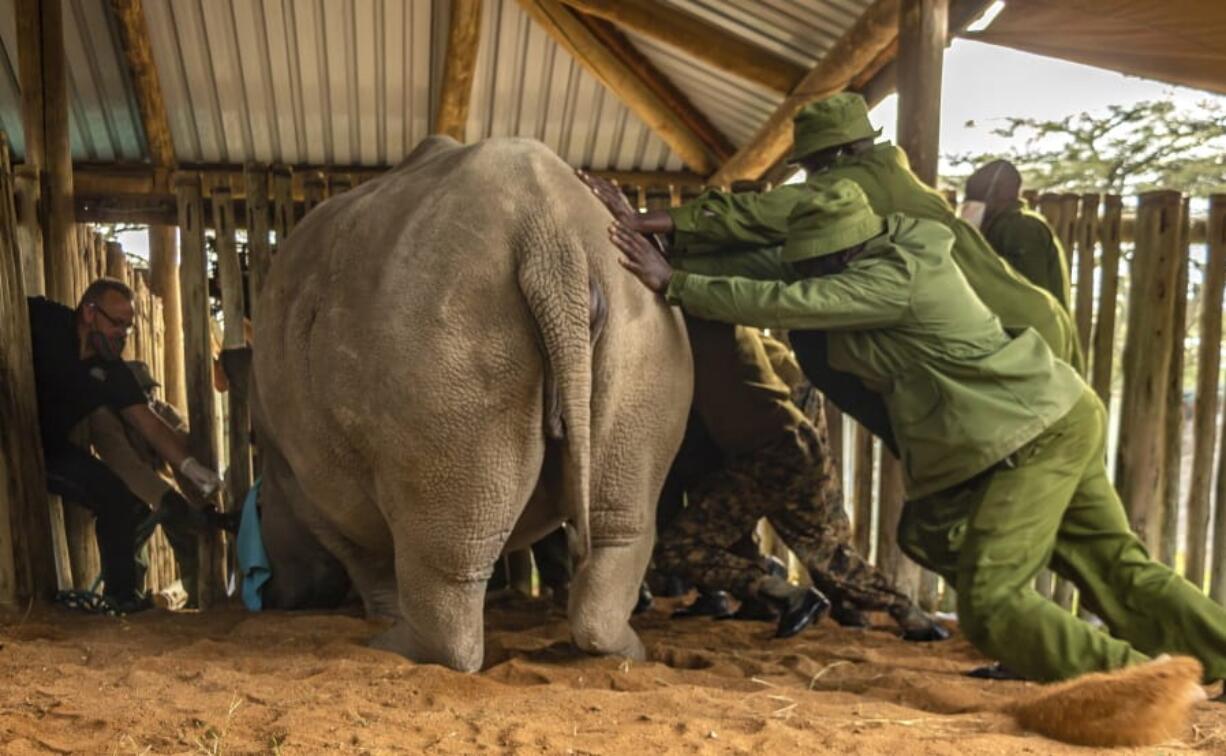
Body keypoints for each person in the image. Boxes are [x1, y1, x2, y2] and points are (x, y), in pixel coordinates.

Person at [607, 177, 1226, 683]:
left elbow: (789, 300)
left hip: (1029, 432)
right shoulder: (876, 241)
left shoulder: (893, 279)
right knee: (1098, 562)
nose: (804, 268)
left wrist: (676, 283)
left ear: (845, 252)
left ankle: (1141, 681)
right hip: (1047, 415)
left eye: (816, 262)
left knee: (992, 598)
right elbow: (771, 248)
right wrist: (661, 227)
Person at [580, 91, 1081, 450]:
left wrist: (644, 227)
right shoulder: (887, 183)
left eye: (814, 166)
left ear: (841, 154)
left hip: (1018, 334)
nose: (812, 177)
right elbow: (773, 261)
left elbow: (764, 223)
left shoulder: (861, 184)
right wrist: (672, 252)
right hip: (1031, 323)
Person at [653, 317, 949, 640]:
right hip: (791, 442)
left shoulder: (695, 326)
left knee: (679, 547)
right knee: (823, 549)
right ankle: (906, 613)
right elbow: (795, 383)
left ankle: (784, 593)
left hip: (772, 453)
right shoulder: (733, 327)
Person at [28, 278, 223, 613]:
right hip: (12, 441)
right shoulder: (42, 319)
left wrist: (190, 468)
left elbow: (147, 422)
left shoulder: (111, 371)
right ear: (90, 312)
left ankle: (122, 598)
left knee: (120, 501)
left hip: (48, 451)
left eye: (129, 327)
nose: (122, 333)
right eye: (116, 323)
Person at [87, 361, 231, 608]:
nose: (147, 398)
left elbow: (185, 457)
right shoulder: (106, 420)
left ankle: (198, 592)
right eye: (141, 392)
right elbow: (127, 465)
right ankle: (125, 598)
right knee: (127, 540)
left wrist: (201, 504)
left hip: (164, 490)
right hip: (128, 492)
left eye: (149, 391)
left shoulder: (162, 412)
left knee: (191, 536)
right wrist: (165, 498)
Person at [961, 159, 1070, 308]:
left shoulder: (1022, 228)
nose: (968, 205)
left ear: (999, 194)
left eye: (974, 197)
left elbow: (1029, 295)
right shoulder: (999, 225)